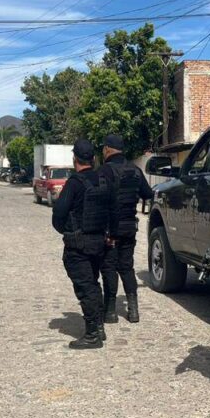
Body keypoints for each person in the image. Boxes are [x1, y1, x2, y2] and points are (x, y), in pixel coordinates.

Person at [52, 139, 109, 349]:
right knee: (94, 284)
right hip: (99, 243)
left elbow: (58, 214)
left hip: (79, 245)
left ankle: (93, 334)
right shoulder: (102, 180)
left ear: (74, 158)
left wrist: (67, 231)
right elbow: (112, 210)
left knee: (86, 288)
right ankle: (99, 327)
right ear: (93, 159)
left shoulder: (74, 183)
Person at [98, 134, 154, 324]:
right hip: (130, 228)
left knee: (109, 268)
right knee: (127, 267)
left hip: (109, 230)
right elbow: (147, 194)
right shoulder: (135, 171)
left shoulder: (104, 171)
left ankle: (110, 312)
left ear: (107, 149)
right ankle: (133, 311)